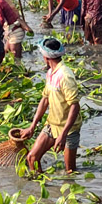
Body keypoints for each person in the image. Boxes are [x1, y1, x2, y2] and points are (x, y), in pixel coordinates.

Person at [20, 38, 82, 174]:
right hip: (52, 124)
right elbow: (45, 99)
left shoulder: (65, 76)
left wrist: (63, 134)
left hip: (68, 129)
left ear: (45, 57)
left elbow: (74, 106)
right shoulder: (50, 73)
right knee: (32, 158)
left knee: (70, 171)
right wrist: (32, 125)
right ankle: (39, 189)